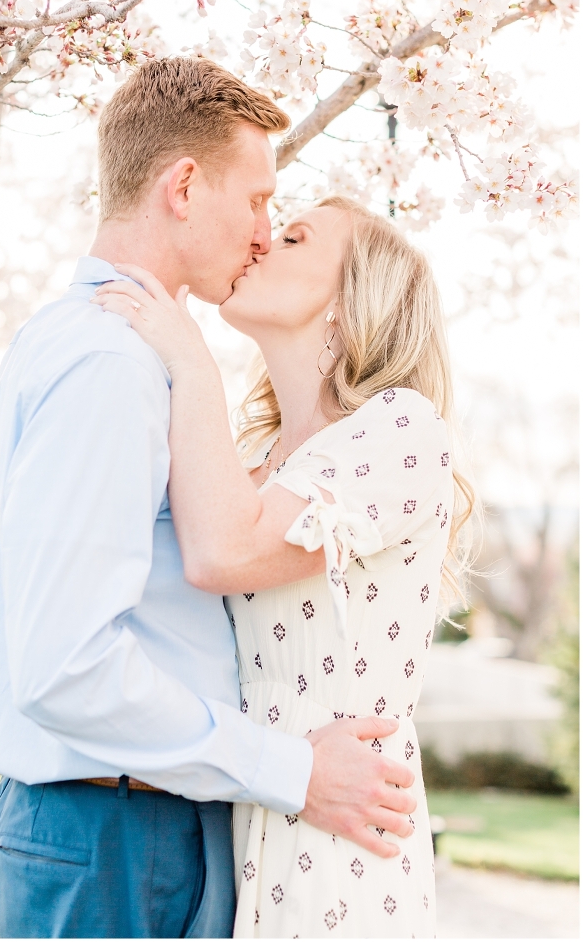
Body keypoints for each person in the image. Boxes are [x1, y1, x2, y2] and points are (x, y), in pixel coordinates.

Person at [0, 59, 417, 940]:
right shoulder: (111, 364)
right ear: (184, 186)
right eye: (257, 202)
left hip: (132, 830)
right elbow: (67, 665)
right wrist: (291, 771)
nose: (262, 231)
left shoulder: (112, 351)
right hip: (117, 839)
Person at [95, 195, 474, 937]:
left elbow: (224, 555)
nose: (263, 240)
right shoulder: (251, 466)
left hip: (340, 820)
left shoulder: (401, 429)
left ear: (347, 301)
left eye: (295, 237)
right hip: (249, 793)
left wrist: (189, 358)